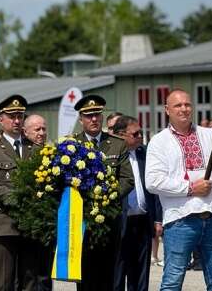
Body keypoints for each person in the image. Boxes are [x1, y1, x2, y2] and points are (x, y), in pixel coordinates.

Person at [145, 89, 212, 291]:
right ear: (167, 110)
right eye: (178, 105)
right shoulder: (159, 141)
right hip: (180, 218)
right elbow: (153, 181)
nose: (184, 108)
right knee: (172, 282)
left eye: (187, 104)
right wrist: (190, 188)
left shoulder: (210, 135)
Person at [71, 95, 134, 291]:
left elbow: (127, 179)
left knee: (109, 275)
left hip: (109, 220)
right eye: (89, 116)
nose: (94, 119)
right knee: (85, 278)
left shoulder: (117, 143)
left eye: (97, 114)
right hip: (81, 221)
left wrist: (107, 198)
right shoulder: (71, 145)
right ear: (81, 119)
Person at [0, 95, 43, 291]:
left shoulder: (35, 148)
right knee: (3, 282)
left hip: (30, 225)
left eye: (20, 116)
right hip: (3, 224)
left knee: (30, 280)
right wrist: (21, 198)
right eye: (12, 116)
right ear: (1, 119)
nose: (16, 121)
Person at [112, 116, 162, 291]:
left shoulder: (145, 153)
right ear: (120, 135)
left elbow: (154, 190)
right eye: (136, 134)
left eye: (141, 132)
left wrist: (157, 220)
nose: (140, 136)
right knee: (117, 273)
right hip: (120, 222)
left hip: (143, 221)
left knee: (140, 275)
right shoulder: (111, 156)